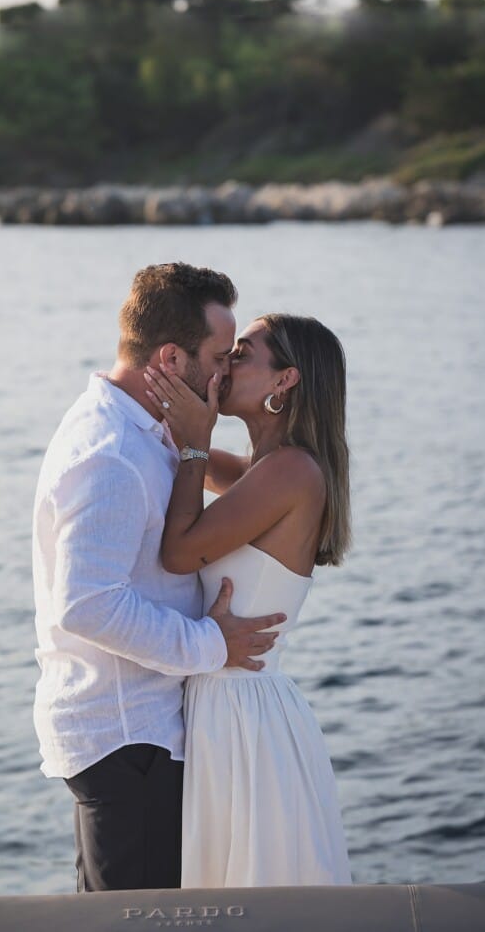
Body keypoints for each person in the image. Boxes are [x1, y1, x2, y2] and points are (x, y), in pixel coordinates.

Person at [32, 263, 288, 892]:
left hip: (140, 735)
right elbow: (88, 605)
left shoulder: (151, 433)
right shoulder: (113, 453)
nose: (225, 370)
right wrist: (212, 644)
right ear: (172, 358)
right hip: (127, 740)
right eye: (218, 356)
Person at [143, 314, 353, 887]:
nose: (225, 362)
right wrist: (174, 407)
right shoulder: (266, 469)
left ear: (284, 380)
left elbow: (180, 552)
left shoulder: (290, 472)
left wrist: (191, 444)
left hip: (244, 717)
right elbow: (203, 462)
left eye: (242, 354)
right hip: (229, 705)